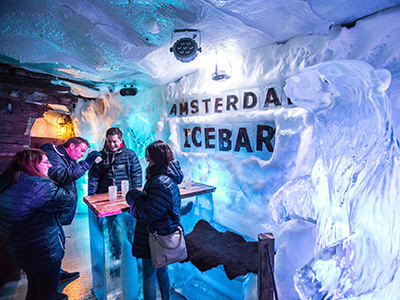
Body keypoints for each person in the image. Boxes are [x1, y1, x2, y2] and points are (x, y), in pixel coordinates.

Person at [0, 148, 75, 300]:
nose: (50, 166)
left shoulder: (9, 181)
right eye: (46, 162)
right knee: (46, 292)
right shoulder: (38, 186)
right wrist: (67, 177)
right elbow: (68, 200)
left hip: (20, 250)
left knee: (34, 283)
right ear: (32, 164)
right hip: (42, 251)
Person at [126, 140, 184, 300]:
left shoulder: (160, 182)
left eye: (148, 157)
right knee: (162, 270)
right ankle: (166, 298)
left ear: (156, 158)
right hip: (162, 232)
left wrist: (133, 197)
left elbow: (148, 213)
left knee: (149, 276)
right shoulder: (167, 176)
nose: (147, 160)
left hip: (155, 235)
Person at [40, 137, 101, 283]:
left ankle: (55, 274)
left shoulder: (64, 158)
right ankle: (50, 283)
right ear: (72, 145)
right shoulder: (52, 154)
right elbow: (62, 176)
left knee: (57, 245)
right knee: (51, 247)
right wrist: (87, 162)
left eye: (84, 153)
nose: (82, 155)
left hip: (55, 210)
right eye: (81, 151)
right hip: (49, 211)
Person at [88, 127, 142, 195]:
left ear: (121, 140)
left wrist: (136, 194)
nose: (112, 145)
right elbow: (94, 177)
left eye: (114, 141)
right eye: (109, 141)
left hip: (125, 195)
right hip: (104, 195)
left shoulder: (130, 155)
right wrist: (92, 195)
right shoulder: (100, 156)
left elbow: (136, 175)